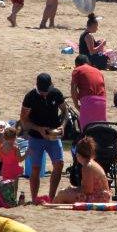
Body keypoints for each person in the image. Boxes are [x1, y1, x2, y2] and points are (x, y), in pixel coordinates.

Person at [20, 74, 68, 204]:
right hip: (36, 137)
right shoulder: (30, 97)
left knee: (59, 164)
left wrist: (62, 126)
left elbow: (65, 111)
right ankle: (34, 198)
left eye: (46, 92)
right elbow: (24, 121)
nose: (44, 95)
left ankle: (51, 197)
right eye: (42, 92)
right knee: (35, 167)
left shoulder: (56, 93)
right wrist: (39, 129)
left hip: (53, 135)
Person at [54, 137, 112, 203]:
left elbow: (88, 191)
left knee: (62, 194)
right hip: (102, 196)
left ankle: (51, 207)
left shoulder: (87, 166)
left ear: (78, 154)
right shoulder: (92, 163)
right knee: (65, 191)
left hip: (98, 199)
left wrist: (74, 189)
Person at [70, 55, 107, 130]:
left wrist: (76, 104)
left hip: (88, 100)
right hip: (102, 101)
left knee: (86, 130)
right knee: (100, 129)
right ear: (88, 63)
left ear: (76, 64)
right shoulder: (98, 71)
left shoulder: (77, 70)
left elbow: (73, 89)